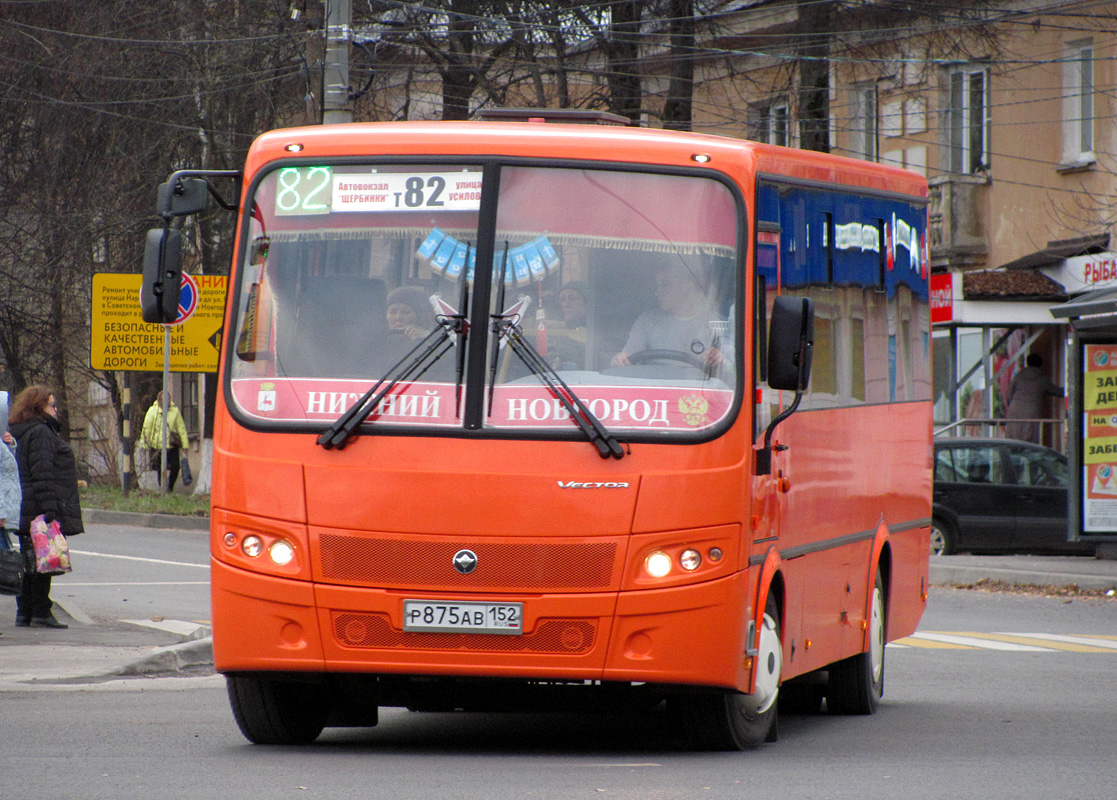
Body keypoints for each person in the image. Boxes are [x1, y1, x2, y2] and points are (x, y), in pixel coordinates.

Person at [9, 385, 83, 628]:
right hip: (38, 506)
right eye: (52, 405)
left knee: (30, 561)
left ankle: (25, 611)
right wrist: (50, 507)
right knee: (44, 560)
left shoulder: (21, 430)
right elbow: (42, 472)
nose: (56, 409)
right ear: (39, 407)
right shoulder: (40, 432)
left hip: (24, 504)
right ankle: (40, 610)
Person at [611, 265, 726, 369]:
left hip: (696, 389)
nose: (657, 292)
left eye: (665, 285)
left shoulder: (713, 321)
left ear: (688, 286)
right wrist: (619, 360)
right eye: (658, 286)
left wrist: (718, 357)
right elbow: (627, 358)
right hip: (652, 386)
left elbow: (731, 365)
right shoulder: (647, 320)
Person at [1004, 353, 1063, 443]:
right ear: (1040, 365)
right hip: (1032, 413)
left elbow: (1009, 396)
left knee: (1013, 441)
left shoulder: (1018, 377)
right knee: (1029, 443)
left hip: (1015, 412)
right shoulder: (1042, 380)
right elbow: (1059, 392)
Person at [142, 390, 190, 492]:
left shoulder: (175, 411)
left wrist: (185, 445)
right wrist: (145, 444)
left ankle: (170, 488)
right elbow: (147, 429)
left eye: (168, 399)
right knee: (160, 468)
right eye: (164, 399)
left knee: (175, 467)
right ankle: (162, 488)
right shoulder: (152, 411)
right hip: (158, 446)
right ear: (159, 399)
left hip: (172, 445)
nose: (166, 401)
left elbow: (181, 429)